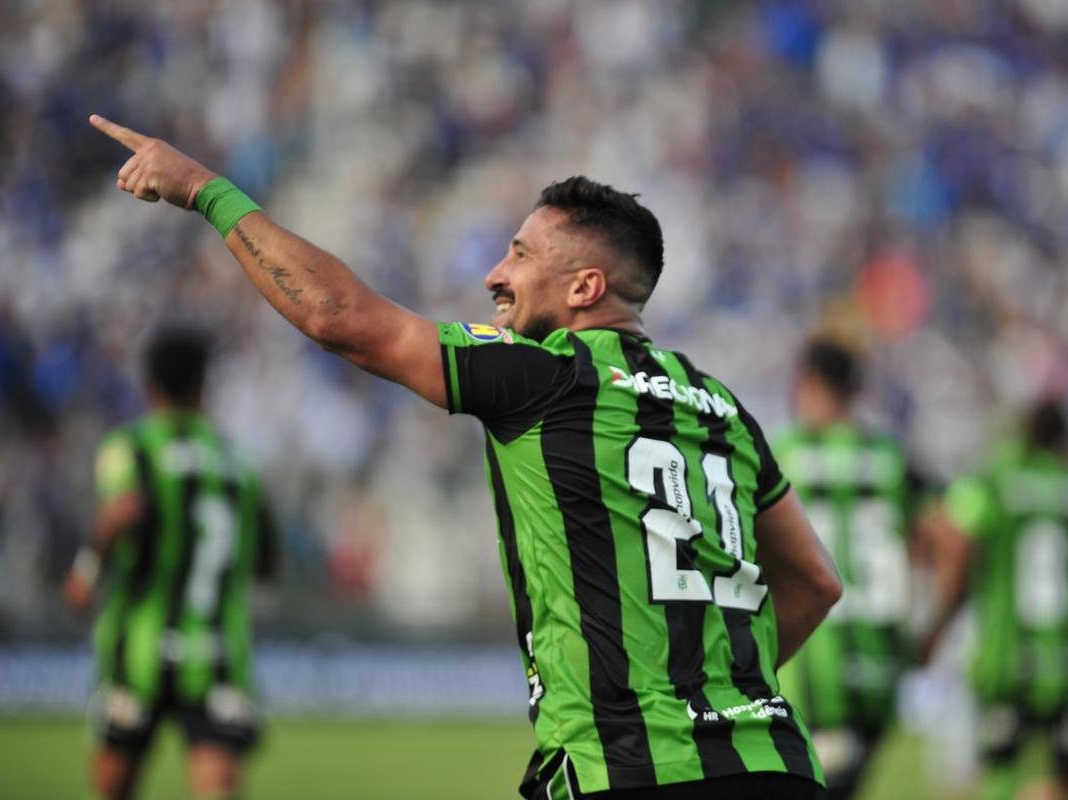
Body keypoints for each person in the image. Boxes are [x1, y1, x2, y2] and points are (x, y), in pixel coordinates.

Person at [87, 113, 842, 799]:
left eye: (518, 255)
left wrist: (203, 190)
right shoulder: (724, 408)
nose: (493, 275)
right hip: (777, 766)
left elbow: (338, 317)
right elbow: (812, 583)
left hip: (626, 772)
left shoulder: (542, 375)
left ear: (584, 286)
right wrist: (708, 691)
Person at [64, 325, 278, 800]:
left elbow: (124, 510)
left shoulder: (131, 448)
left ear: (148, 384)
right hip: (217, 648)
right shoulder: (238, 461)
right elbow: (267, 558)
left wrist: (84, 571)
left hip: (138, 646)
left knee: (114, 789)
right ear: (204, 385)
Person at [929, 399, 1068, 800]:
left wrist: (943, 616)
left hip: (1005, 658)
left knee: (999, 770)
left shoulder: (997, 477)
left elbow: (957, 534)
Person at [769, 337, 926, 799]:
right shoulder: (892, 457)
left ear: (809, 384)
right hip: (880, 661)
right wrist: (929, 622)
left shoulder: (786, 451)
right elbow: (942, 533)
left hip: (812, 660)